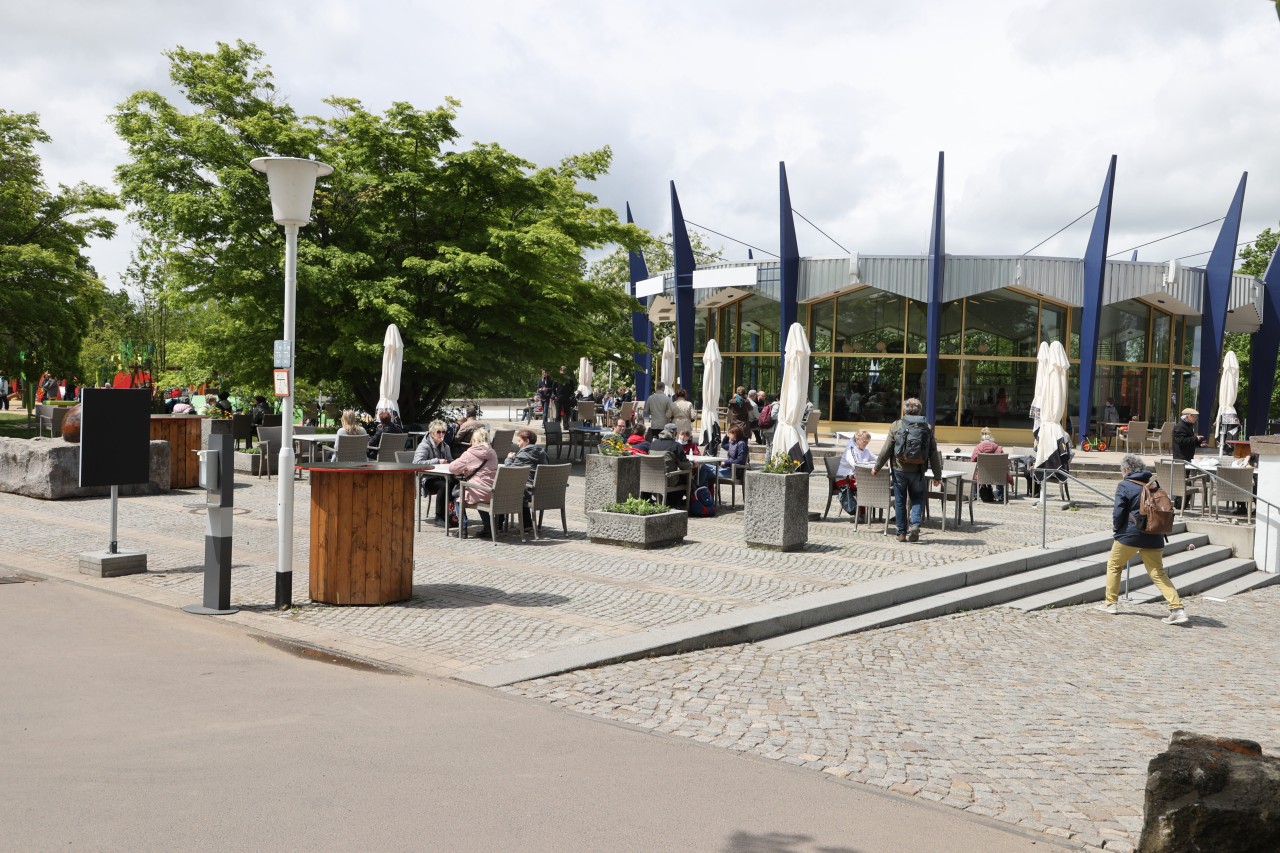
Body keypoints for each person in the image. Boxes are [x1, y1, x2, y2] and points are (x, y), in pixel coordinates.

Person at [1094, 454, 1188, 624]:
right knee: (1158, 573)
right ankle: (1177, 609)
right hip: (1154, 534)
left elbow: (1118, 512)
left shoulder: (1124, 485)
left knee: (1114, 565)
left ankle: (1111, 603)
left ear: (1126, 470)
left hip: (1130, 535)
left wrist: (1117, 530)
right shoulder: (1153, 484)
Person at [871, 397, 943, 543]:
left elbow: (887, 449)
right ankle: (915, 524)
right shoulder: (927, 427)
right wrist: (937, 475)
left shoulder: (896, 425)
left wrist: (877, 467)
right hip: (918, 470)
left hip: (899, 469)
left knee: (900, 501)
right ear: (919, 410)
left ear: (904, 410)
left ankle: (901, 533)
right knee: (917, 498)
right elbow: (933, 452)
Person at [448, 427, 498, 536]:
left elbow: (452, 468)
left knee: (458, 497)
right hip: (493, 492)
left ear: (474, 441)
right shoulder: (493, 453)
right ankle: (489, 527)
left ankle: (463, 527)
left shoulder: (469, 454)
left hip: (479, 491)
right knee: (480, 496)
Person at [503, 427, 548, 531]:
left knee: (502, 491)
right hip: (542, 492)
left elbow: (510, 471)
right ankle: (527, 523)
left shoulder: (523, 454)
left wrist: (509, 458)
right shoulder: (542, 453)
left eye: (519, 441)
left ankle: (497, 525)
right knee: (521, 487)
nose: (518, 444)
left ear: (527, 441)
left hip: (529, 491)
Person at [413, 420, 455, 523]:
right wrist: (437, 461)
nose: (441, 434)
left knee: (456, 484)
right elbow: (417, 463)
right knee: (444, 486)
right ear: (432, 433)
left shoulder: (445, 446)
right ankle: (439, 516)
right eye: (438, 432)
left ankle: (453, 514)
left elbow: (450, 460)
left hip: (441, 476)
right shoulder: (424, 446)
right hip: (426, 479)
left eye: (443, 432)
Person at [648, 423, 692, 505]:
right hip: (668, 481)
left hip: (652, 480)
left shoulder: (653, 444)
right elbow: (685, 466)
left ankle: (668, 501)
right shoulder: (676, 446)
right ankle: (688, 504)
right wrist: (693, 465)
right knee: (688, 478)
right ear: (675, 434)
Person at [970, 427, 1007, 502]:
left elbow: (972, 461)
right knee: (1000, 473)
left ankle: (975, 494)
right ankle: (1000, 495)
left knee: (974, 473)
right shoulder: (997, 447)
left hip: (982, 474)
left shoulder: (977, 448)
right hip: (996, 475)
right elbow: (1004, 461)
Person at [555, 365, 575, 429]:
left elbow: (553, 388)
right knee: (566, 412)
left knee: (558, 412)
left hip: (559, 396)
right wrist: (569, 394)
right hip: (566, 396)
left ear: (560, 370)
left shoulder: (557, 379)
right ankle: (565, 425)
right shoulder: (569, 379)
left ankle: (557, 426)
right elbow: (572, 388)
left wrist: (556, 394)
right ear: (566, 371)